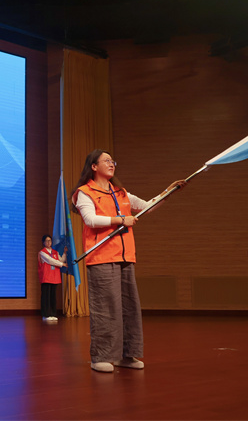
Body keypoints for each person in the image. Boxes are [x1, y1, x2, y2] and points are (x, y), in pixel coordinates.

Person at [71, 149, 185, 373]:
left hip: (125, 256)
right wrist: (121, 220)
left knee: (128, 307)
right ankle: (101, 357)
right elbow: (90, 220)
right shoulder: (84, 192)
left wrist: (168, 191)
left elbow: (146, 207)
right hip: (101, 258)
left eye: (113, 161)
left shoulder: (121, 193)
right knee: (106, 309)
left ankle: (126, 355)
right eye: (106, 161)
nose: (111, 164)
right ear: (94, 166)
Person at [38, 234, 66, 321]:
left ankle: (52, 314)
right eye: (46, 241)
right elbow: (51, 261)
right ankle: (46, 315)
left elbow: (60, 260)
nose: (48, 242)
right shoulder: (42, 252)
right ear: (43, 242)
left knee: (53, 296)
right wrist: (62, 264)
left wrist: (65, 253)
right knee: (46, 296)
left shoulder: (55, 252)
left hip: (54, 277)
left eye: (50, 240)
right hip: (46, 277)